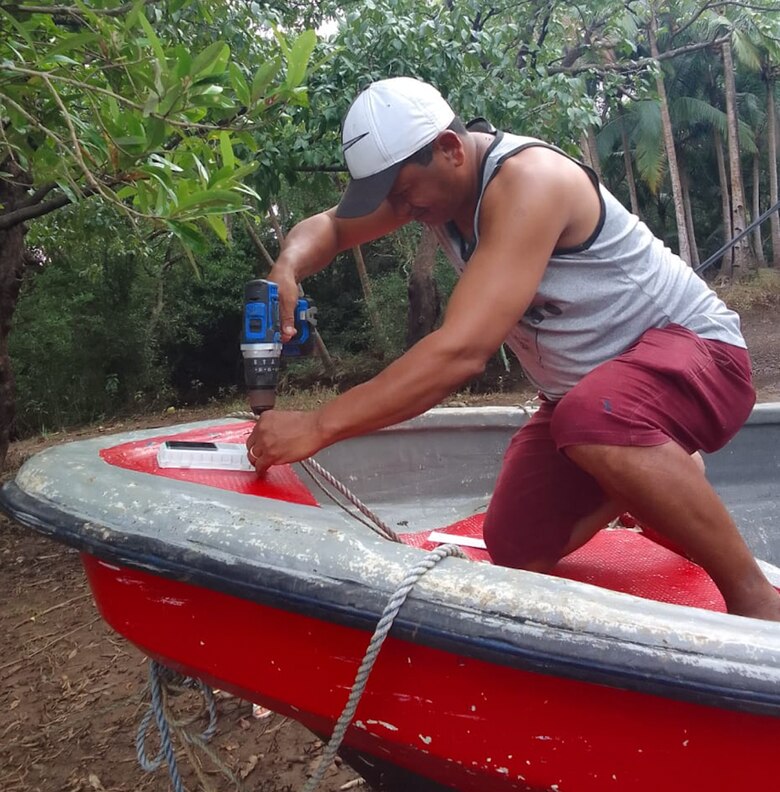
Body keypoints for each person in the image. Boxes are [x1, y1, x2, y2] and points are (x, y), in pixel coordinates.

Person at [246, 76, 780, 621]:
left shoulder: (530, 181)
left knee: (593, 417)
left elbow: (461, 351)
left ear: (450, 149)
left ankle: (757, 599)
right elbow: (334, 227)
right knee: (518, 546)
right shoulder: (431, 190)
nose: (400, 209)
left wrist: (318, 426)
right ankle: (649, 470)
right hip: (592, 399)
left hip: (701, 354)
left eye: (403, 193)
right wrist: (288, 264)